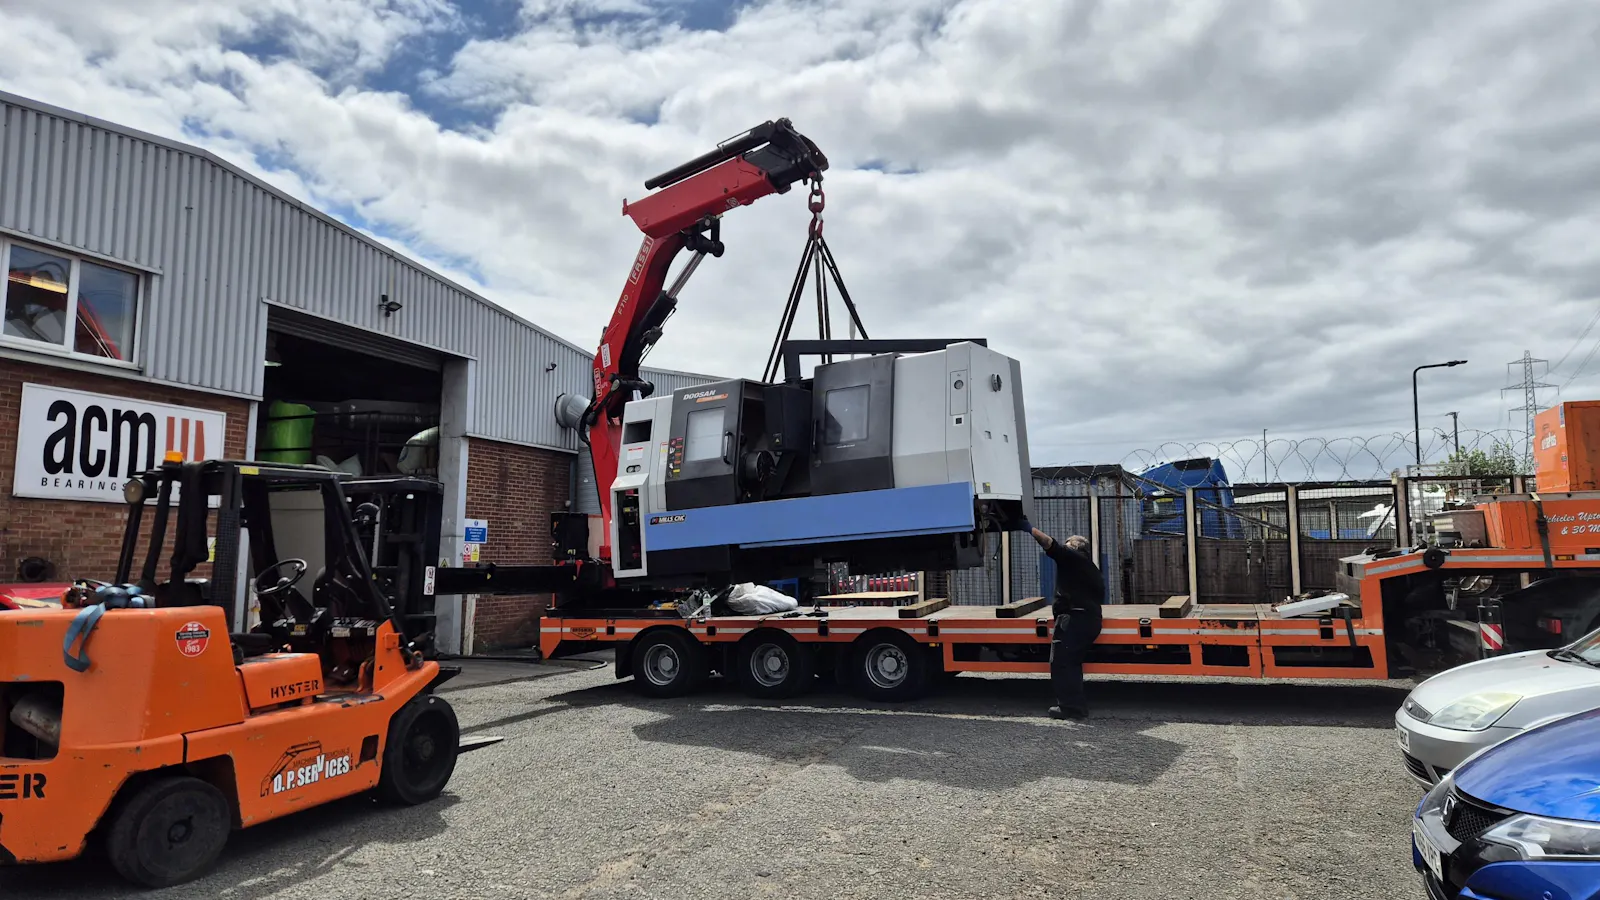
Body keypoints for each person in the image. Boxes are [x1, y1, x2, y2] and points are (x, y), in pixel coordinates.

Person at [1026, 523, 1104, 719]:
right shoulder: (1089, 568)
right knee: (1071, 663)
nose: (1065, 547)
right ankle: (1075, 705)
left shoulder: (1075, 558)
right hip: (1087, 619)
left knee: (1062, 663)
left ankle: (1071, 708)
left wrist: (1029, 528)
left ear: (1076, 548)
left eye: (1068, 544)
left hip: (1075, 620)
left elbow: (1052, 546)